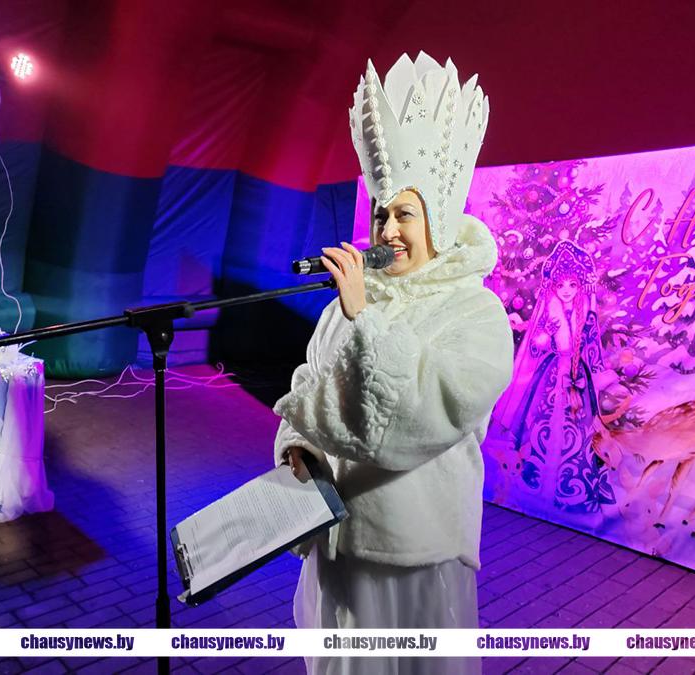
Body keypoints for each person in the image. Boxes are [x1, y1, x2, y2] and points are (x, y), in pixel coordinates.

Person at [271, 52, 514, 675]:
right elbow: (309, 386)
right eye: (381, 213)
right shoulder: (349, 307)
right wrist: (299, 448)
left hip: (414, 553)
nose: (388, 230)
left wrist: (364, 318)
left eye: (405, 213)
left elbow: (423, 418)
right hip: (337, 545)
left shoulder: (475, 312)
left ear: (439, 220)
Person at [492, 239, 616, 520]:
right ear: (553, 286)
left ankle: (573, 488)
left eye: (572, 284)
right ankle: (537, 482)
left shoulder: (587, 314)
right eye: (561, 285)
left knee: (579, 430)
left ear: (580, 285)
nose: (567, 290)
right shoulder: (548, 312)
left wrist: (599, 374)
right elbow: (534, 348)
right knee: (542, 425)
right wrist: (546, 338)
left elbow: (593, 348)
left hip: (578, 379)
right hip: (550, 378)